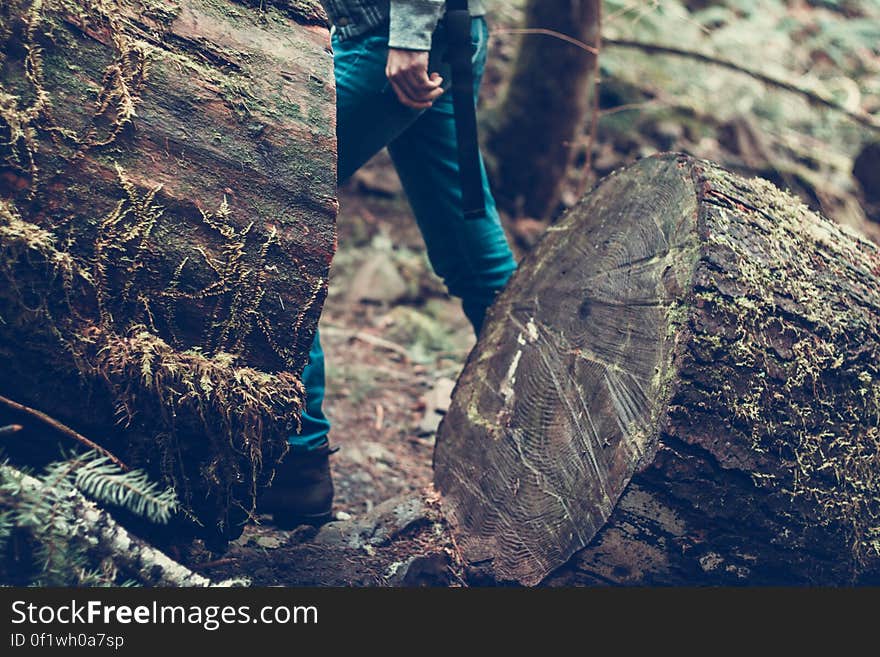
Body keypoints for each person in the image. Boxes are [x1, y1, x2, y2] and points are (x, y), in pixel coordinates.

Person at [261, 0, 517, 528]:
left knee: (266, 201)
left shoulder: (403, 40)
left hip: (398, 42)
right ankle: (548, 426)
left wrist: (409, 36)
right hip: (432, 32)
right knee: (469, 246)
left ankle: (295, 457)